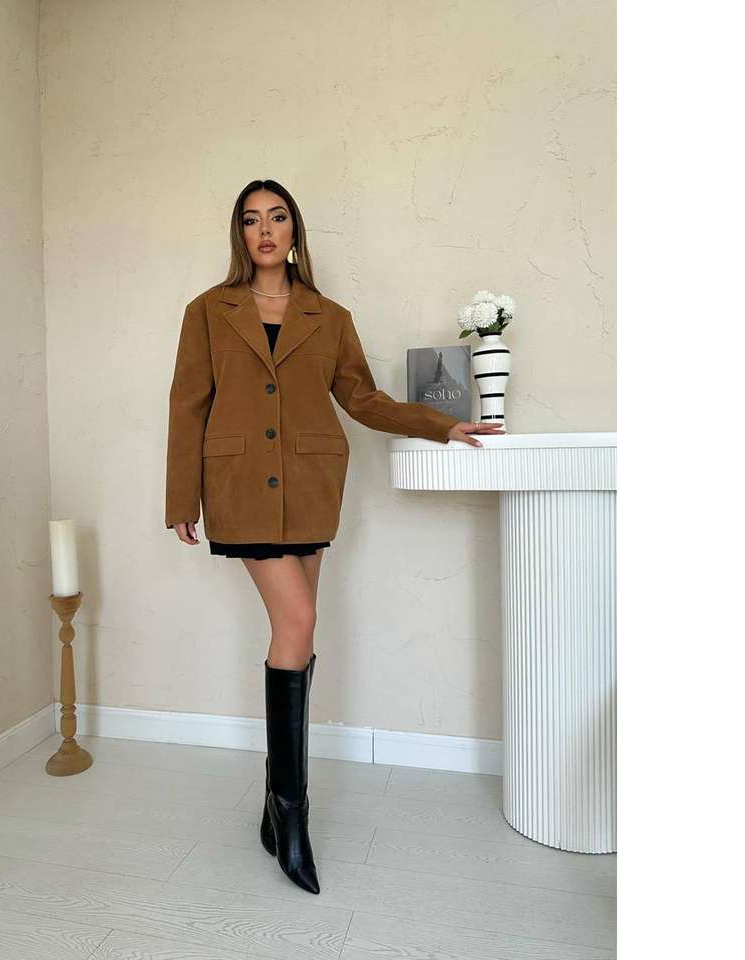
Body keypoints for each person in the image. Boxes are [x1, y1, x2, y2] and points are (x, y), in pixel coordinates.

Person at [165, 179, 504, 894]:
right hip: (240, 487)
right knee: (299, 622)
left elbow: (362, 398)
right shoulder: (208, 311)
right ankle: (293, 814)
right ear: (239, 233)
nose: (265, 230)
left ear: (295, 231)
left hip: (312, 484)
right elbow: (188, 404)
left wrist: (441, 424)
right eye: (251, 219)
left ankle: (274, 803)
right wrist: (180, 496)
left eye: (277, 217)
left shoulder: (331, 317)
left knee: (296, 633)